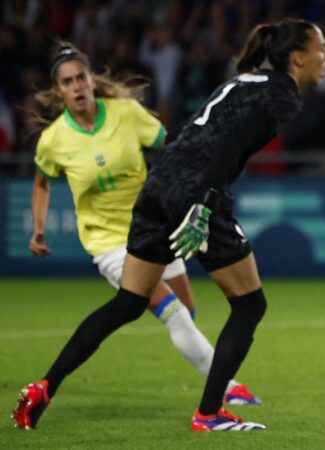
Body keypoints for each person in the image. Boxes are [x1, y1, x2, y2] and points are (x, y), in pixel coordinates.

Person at [13, 19, 325, 432]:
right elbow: (230, 143)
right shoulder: (280, 96)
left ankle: (43, 387)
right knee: (250, 305)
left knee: (128, 303)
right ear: (299, 58)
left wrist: (172, 186)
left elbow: (185, 132)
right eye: (322, 48)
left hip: (158, 186)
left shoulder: (248, 79)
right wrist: (203, 204)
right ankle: (210, 412)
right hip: (195, 190)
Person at [25, 42, 261, 408]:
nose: (76, 86)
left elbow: (171, 147)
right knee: (175, 314)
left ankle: (202, 362)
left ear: (91, 79)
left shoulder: (126, 114)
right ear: (58, 91)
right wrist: (38, 229)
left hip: (154, 225)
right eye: (67, 81)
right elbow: (41, 181)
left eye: (80, 77)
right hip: (110, 244)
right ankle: (228, 388)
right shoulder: (54, 141)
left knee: (186, 307)